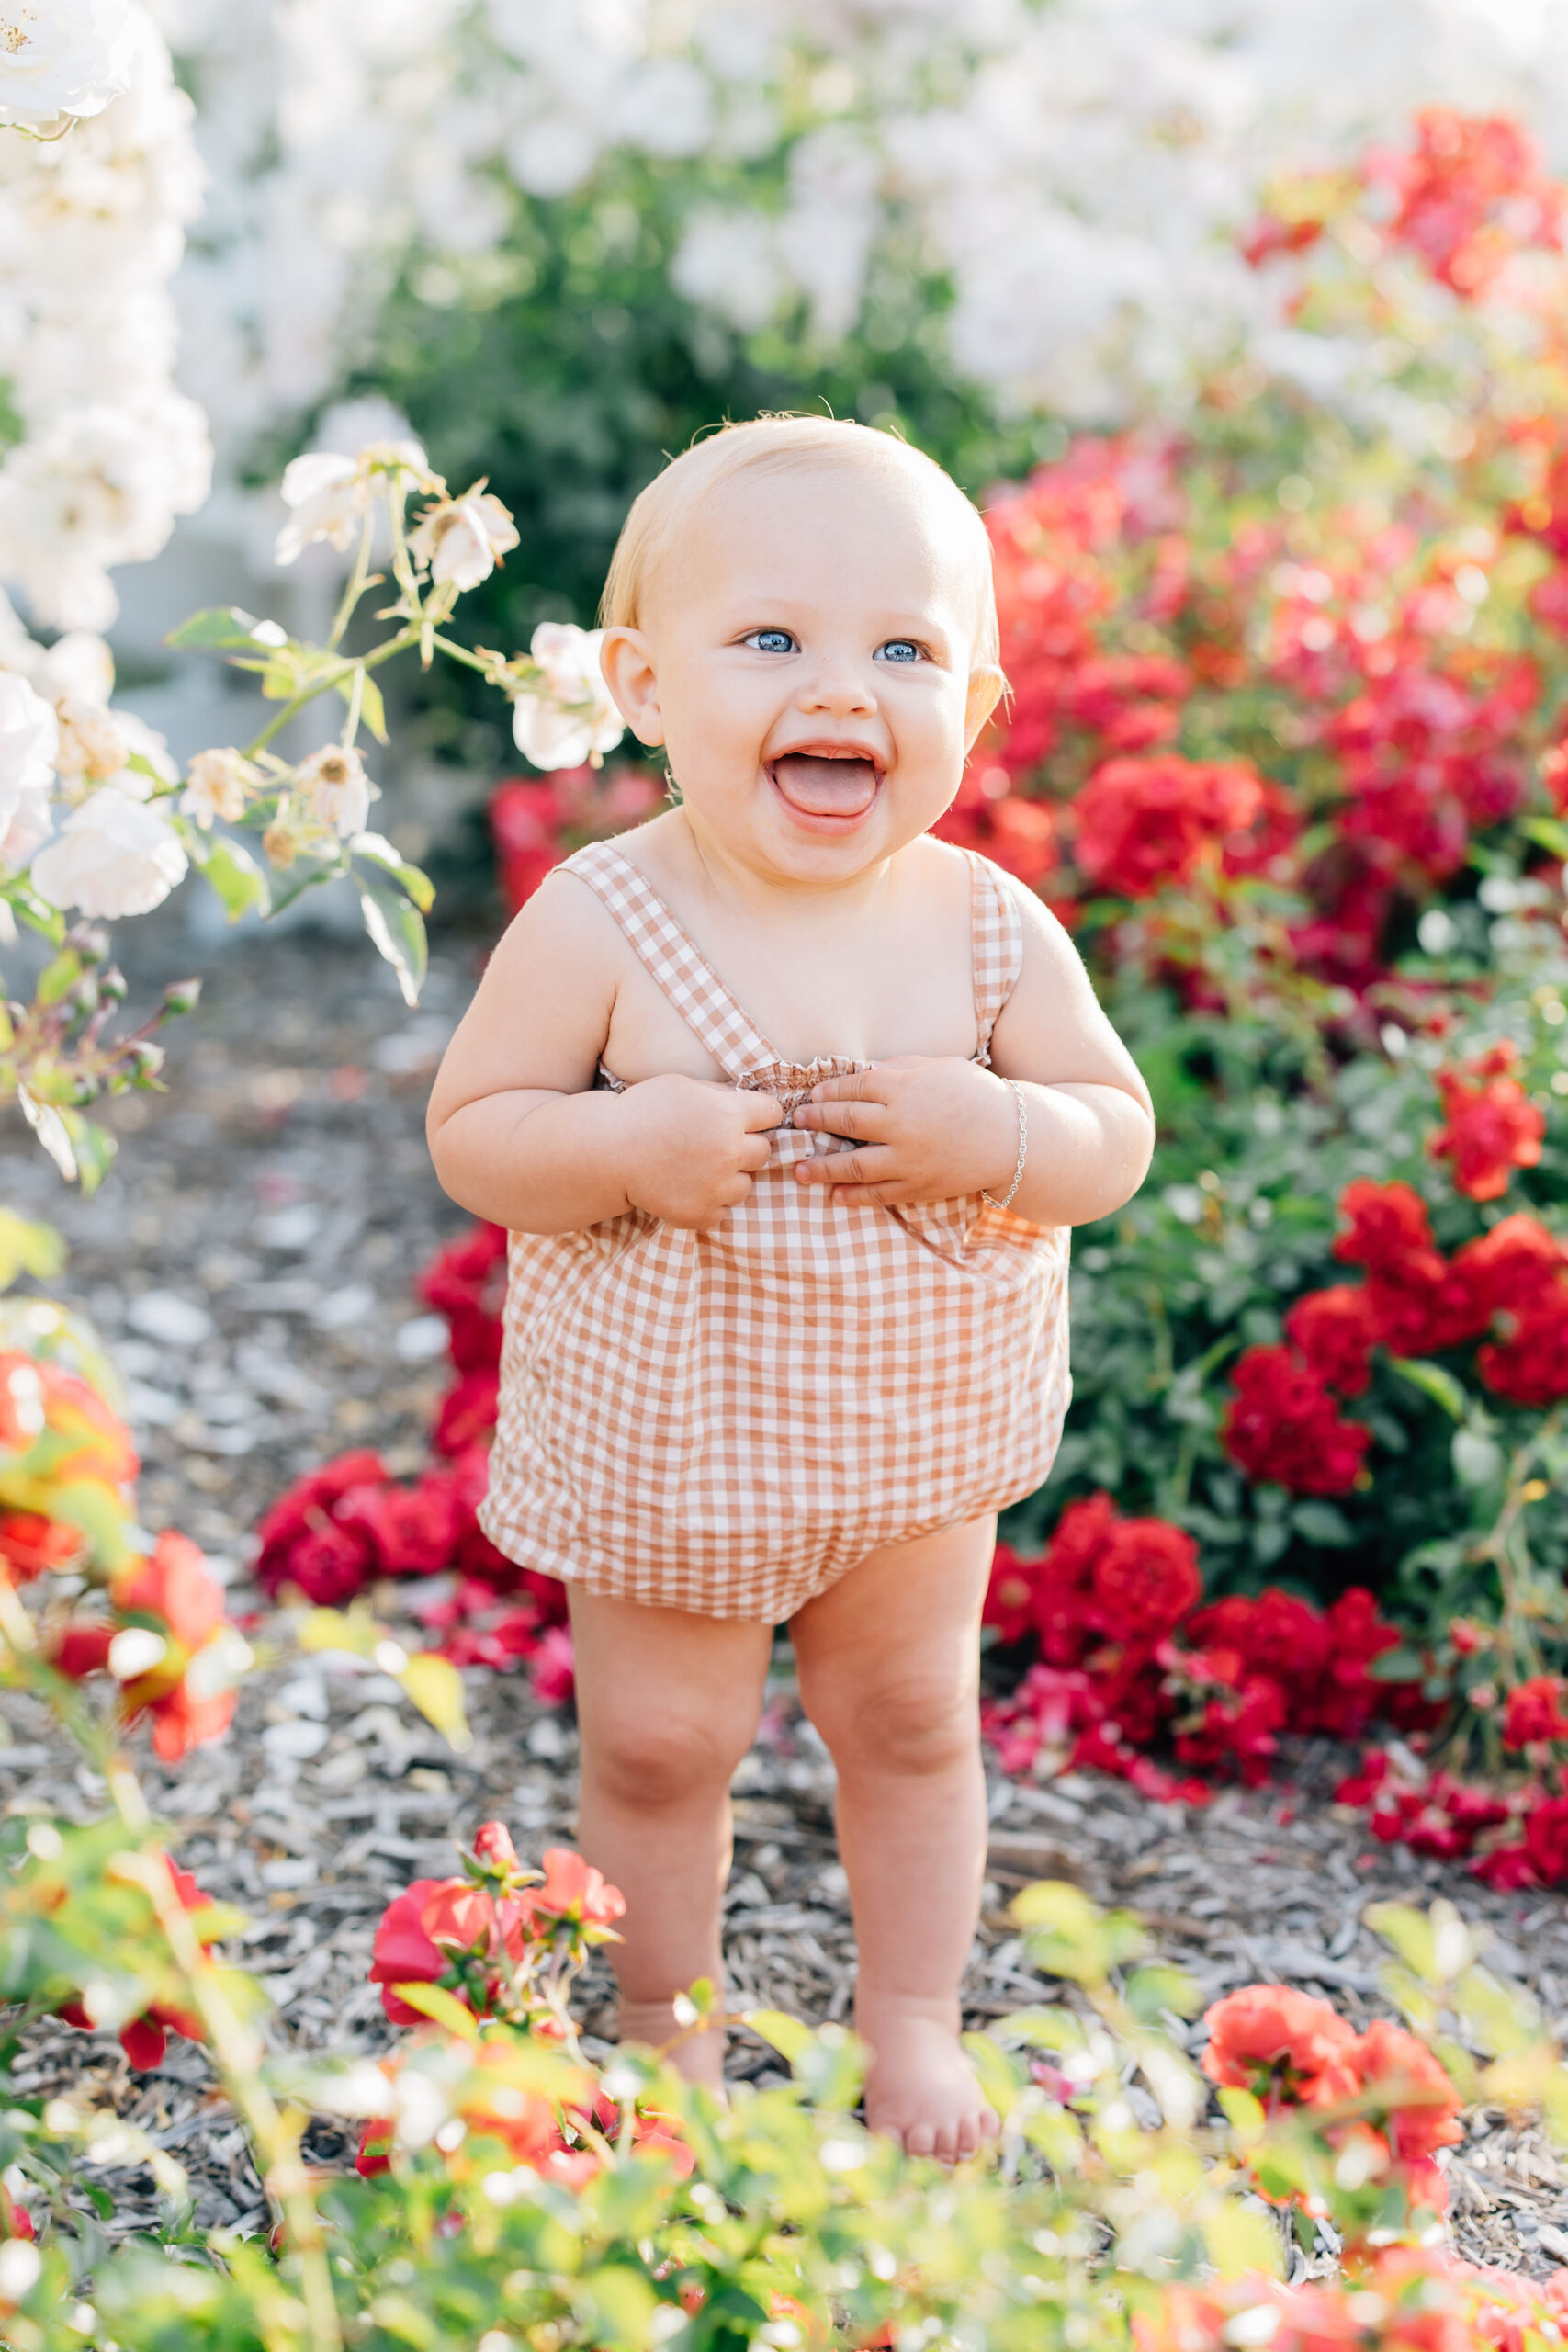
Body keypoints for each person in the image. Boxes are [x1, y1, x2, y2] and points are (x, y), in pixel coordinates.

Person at [426, 414, 1154, 2161]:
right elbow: (474, 1135)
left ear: (971, 714)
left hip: (914, 1443)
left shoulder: (985, 928)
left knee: (908, 1726)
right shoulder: (602, 917)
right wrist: (619, 1146)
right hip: (675, 1446)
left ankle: (910, 2024)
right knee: (665, 1750)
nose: (843, 689)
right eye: (772, 640)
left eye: (903, 651)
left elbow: (1111, 1134)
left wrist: (999, 1131)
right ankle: (660, 2029)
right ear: (645, 685)